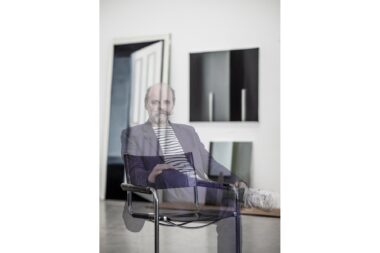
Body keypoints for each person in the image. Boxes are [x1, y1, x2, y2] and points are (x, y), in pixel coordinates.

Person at [121, 83, 269, 252]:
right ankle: (248, 197)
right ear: (146, 104)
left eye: (166, 102)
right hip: (164, 192)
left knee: (229, 203)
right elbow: (134, 173)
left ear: (173, 105)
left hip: (198, 190)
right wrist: (151, 175)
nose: (161, 107)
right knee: (174, 177)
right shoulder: (133, 134)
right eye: (155, 102)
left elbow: (209, 163)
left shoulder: (187, 131)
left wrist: (236, 180)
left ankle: (245, 194)